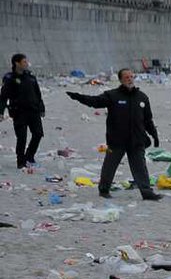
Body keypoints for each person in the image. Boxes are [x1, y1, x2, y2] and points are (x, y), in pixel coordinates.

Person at [65, 69, 162, 201]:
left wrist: (154, 135)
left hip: (136, 140)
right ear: (121, 80)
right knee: (110, 166)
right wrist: (79, 97)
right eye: (126, 77)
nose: (130, 79)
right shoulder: (112, 95)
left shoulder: (142, 97)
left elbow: (147, 120)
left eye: (131, 77)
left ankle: (147, 192)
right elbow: (96, 102)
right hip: (117, 140)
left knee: (140, 167)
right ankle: (104, 190)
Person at [0, 53, 46, 169]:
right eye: (24, 62)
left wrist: (41, 107)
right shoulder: (10, 79)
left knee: (38, 134)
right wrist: (1, 112)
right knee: (22, 138)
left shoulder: (30, 77)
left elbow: (38, 93)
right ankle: (21, 162)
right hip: (19, 112)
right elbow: (3, 97)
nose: (27, 64)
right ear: (17, 63)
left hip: (34, 111)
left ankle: (29, 156)